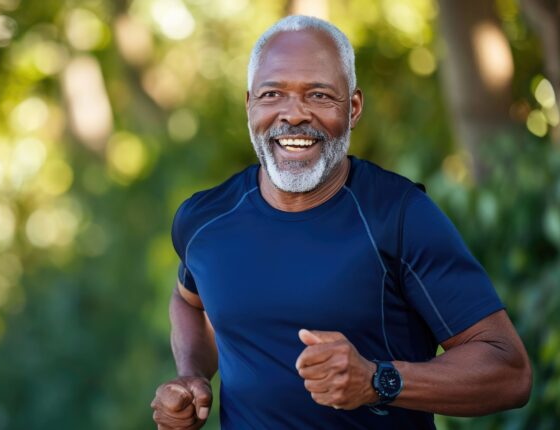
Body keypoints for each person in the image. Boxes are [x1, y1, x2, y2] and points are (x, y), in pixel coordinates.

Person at [150, 15, 532, 430]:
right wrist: (192, 375)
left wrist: (377, 380)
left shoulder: (400, 215)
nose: (293, 115)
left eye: (318, 95)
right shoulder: (205, 219)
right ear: (249, 105)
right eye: (272, 94)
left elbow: (509, 371)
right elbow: (190, 302)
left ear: (353, 108)